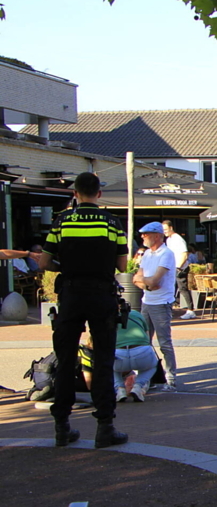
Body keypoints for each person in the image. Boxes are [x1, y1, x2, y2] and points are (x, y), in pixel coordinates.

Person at [37, 172, 129, 448]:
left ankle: (62, 427)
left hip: (71, 294)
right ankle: (105, 427)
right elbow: (123, 266)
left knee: (65, 361)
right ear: (99, 194)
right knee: (102, 361)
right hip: (101, 295)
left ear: (75, 193)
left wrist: (64, 267)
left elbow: (44, 262)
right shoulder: (112, 222)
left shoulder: (62, 221)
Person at [133, 222, 179, 392]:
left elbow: (155, 280)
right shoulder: (146, 255)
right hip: (147, 301)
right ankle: (149, 376)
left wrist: (146, 282)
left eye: (146, 234)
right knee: (144, 342)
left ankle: (170, 378)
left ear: (157, 236)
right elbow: (137, 279)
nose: (143, 237)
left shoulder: (166, 254)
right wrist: (147, 285)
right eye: (142, 234)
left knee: (164, 342)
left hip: (161, 303)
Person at [112, 309, 160, 403]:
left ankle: (119, 389)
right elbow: (147, 337)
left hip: (118, 352)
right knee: (152, 366)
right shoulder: (136, 314)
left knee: (110, 366)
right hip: (141, 351)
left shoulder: (107, 315)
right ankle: (138, 386)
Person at [162, 220, 195, 320]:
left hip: (180, 268)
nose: (165, 232)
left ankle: (191, 311)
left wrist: (178, 268)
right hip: (172, 268)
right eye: (163, 230)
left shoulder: (178, 239)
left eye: (166, 229)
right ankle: (169, 310)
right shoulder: (169, 240)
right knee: (171, 289)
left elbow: (184, 254)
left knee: (182, 288)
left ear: (171, 228)